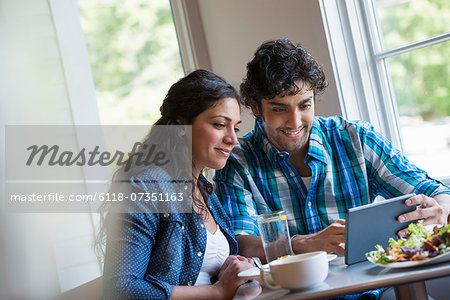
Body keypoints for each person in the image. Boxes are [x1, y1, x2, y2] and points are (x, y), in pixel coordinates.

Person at [213, 39, 450, 299]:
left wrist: (439, 207)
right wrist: (303, 243)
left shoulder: (355, 138)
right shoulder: (237, 161)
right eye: (280, 109)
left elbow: (434, 190)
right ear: (256, 107)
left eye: (305, 105)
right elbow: (241, 242)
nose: (295, 122)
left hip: (375, 292)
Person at [98, 69, 260, 300]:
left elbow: (197, 273)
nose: (233, 139)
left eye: (236, 127)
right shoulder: (146, 188)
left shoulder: (204, 189)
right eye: (219, 124)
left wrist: (228, 271)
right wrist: (218, 291)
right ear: (181, 125)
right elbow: (121, 289)